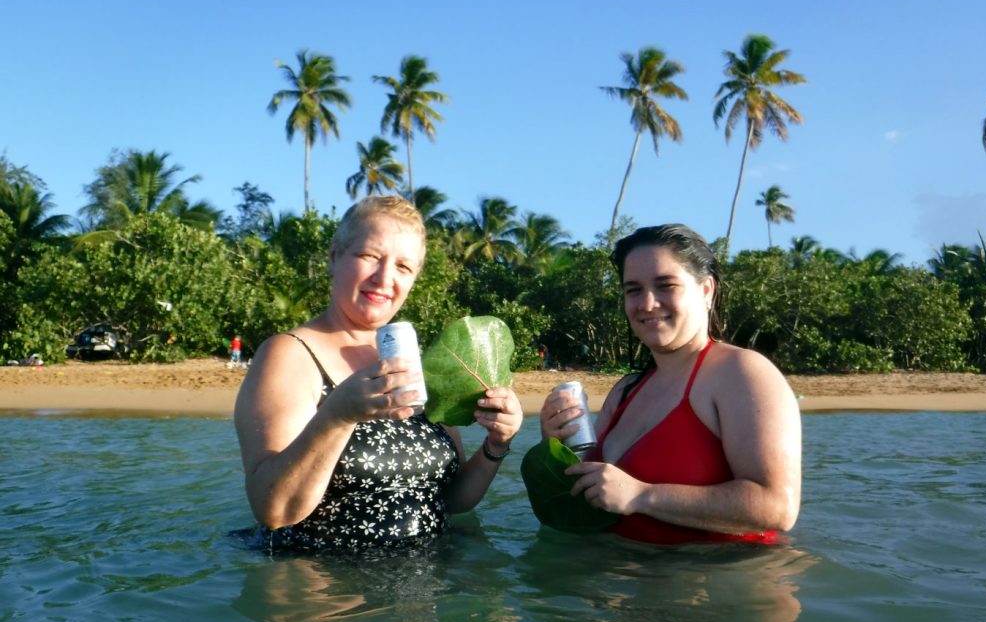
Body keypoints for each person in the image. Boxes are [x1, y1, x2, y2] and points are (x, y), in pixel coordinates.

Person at [234, 196, 523, 552]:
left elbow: (451, 499)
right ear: (334, 257)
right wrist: (337, 416)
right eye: (370, 256)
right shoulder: (288, 354)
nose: (385, 277)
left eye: (403, 266)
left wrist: (496, 445)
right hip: (324, 580)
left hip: (424, 579)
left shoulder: (414, 362)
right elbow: (273, 510)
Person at [539, 223, 801, 544]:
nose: (647, 303)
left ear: (706, 290)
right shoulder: (625, 390)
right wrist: (555, 446)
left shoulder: (741, 372)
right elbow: (586, 494)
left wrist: (642, 495)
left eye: (666, 285)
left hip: (720, 573)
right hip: (619, 569)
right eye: (633, 290)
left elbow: (778, 507)